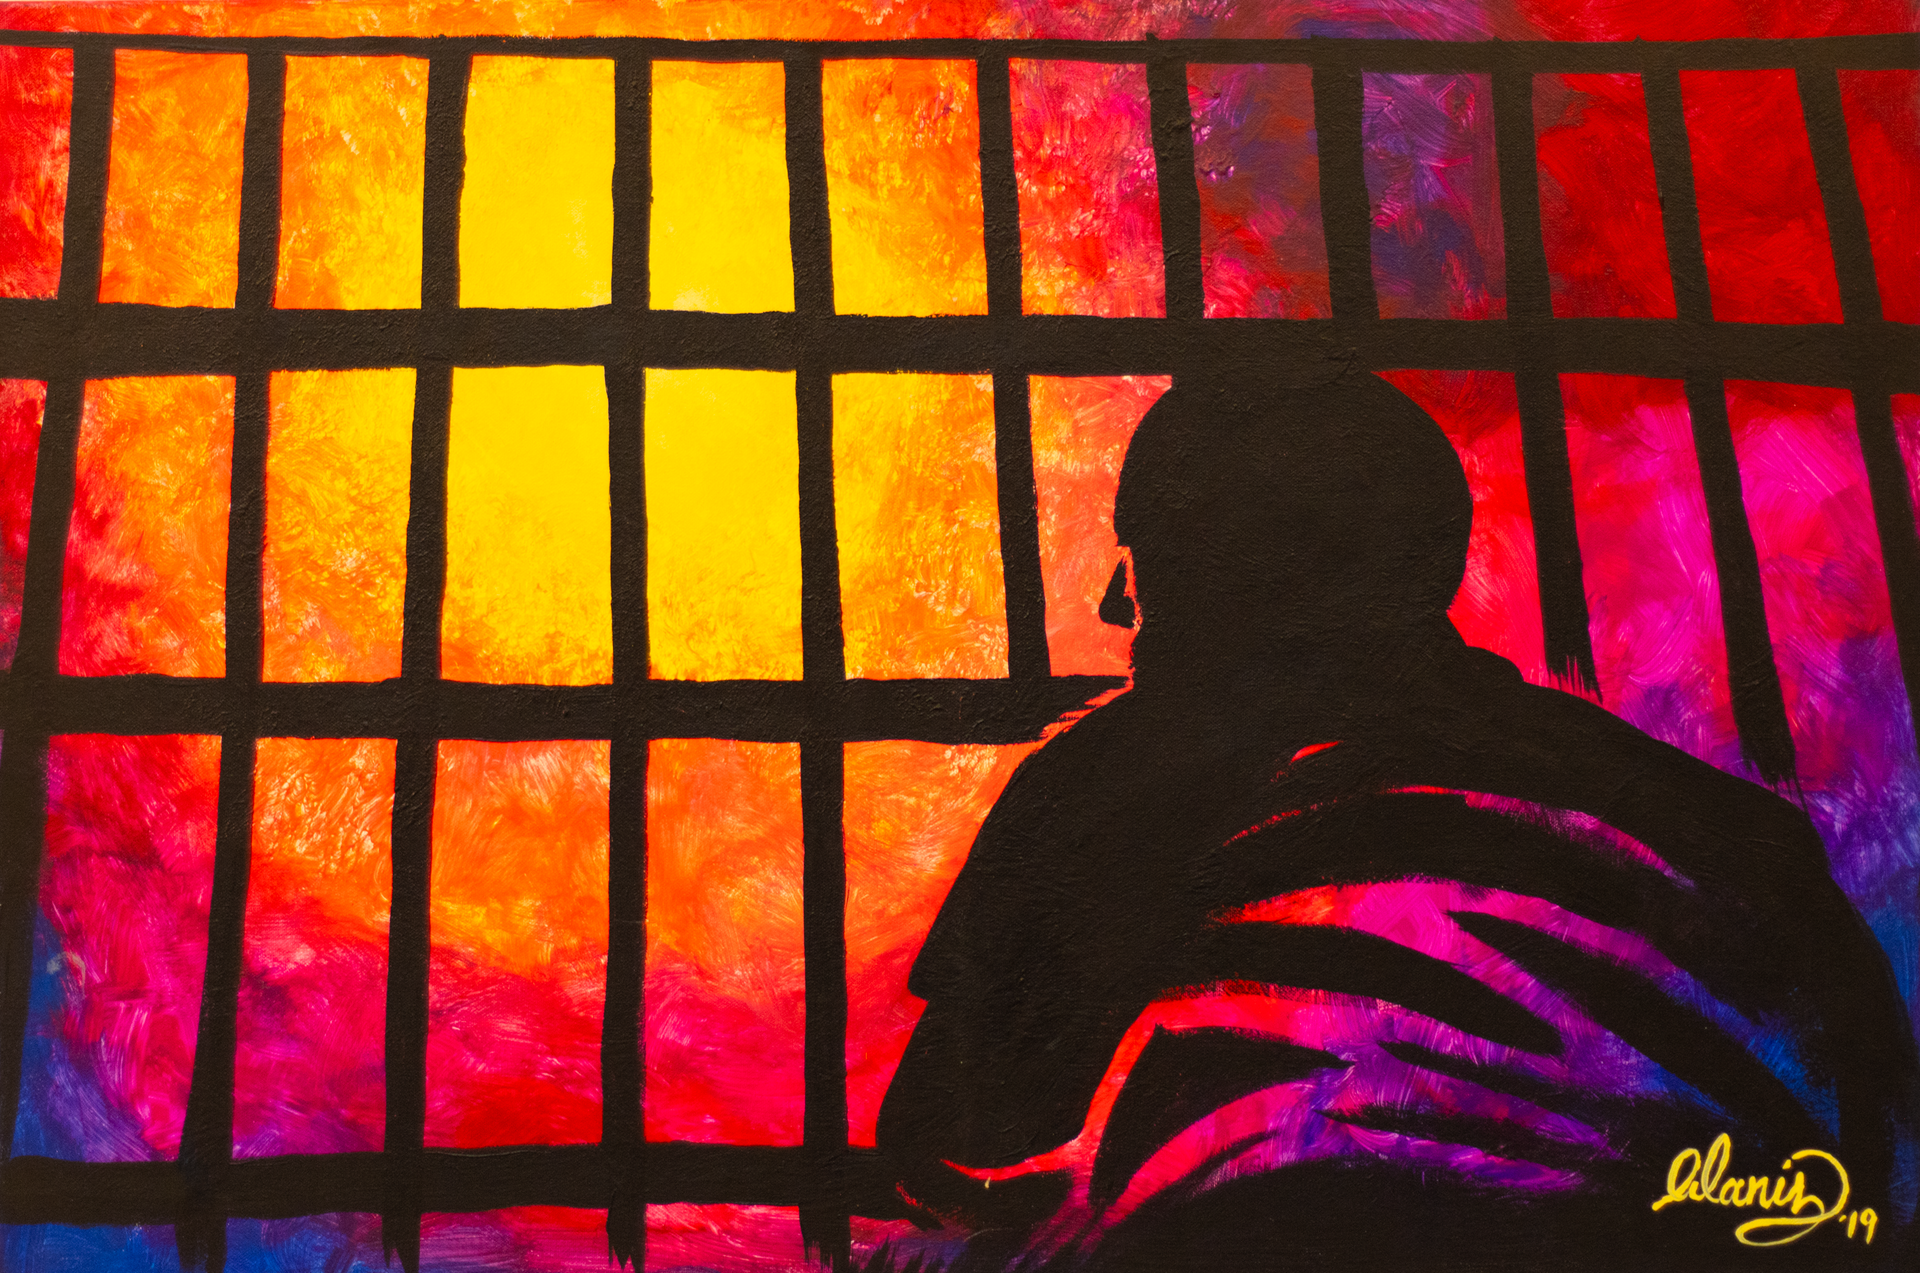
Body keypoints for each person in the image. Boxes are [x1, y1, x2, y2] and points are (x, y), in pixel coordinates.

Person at [876, 375, 1917, 1270]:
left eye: (1142, 554)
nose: (1114, 602)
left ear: (1223, 576)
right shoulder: (1699, 820)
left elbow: (941, 1151)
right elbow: (1873, 1160)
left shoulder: (1088, 798)